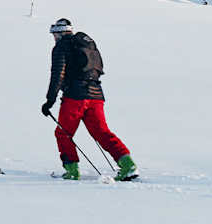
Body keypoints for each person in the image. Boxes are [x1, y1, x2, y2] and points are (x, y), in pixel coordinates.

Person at [41, 18, 139, 181]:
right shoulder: (86, 44)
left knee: (63, 133)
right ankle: (128, 165)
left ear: (60, 33)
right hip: (96, 95)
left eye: (54, 34)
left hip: (75, 96)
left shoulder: (62, 47)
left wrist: (49, 100)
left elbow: (58, 74)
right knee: (101, 132)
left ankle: (72, 171)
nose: (54, 38)